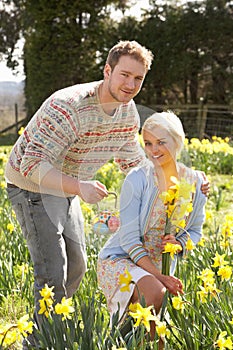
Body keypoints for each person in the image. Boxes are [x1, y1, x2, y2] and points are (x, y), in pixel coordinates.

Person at [5, 40, 208, 348]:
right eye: (124, 75)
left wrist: (186, 180)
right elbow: (31, 164)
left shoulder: (127, 116)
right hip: (30, 186)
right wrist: (80, 187)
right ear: (108, 70)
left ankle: (50, 331)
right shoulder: (69, 105)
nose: (130, 84)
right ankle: (39, 342)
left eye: (138, 78)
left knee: (77, 268)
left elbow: (136, 164)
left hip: (69, 187)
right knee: (53, 272)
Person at [97, 111, 207, 347]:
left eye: (161, 142)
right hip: (122, 260)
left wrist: (179, 244)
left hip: (159, 267)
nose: (153, 150)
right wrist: (160, 277)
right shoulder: (137, 179)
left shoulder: (196, 182)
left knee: (154, 315)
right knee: (156, 292)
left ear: (177, 141)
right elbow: (128, 239)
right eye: (148, 143)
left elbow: (195, 231)